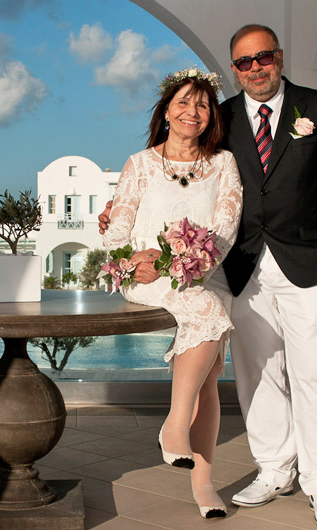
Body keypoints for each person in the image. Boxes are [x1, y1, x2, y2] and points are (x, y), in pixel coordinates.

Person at [221, 24, 317, 529]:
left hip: (311, 263)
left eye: (263, 57)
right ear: (234, 69)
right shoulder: (222, 117)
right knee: (257, 374)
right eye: (243, 62)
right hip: (245, 267)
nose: (255, 68)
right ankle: (275, 468)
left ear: (279, 56)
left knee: (315, 372)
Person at [102, 68, 243, 519]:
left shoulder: (223, 164)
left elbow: (225, 228)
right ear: (166, 110)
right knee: (206, 311)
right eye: (183, 102)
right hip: (145, 273)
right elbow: (116, 230)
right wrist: (133, 260)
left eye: (202, 105)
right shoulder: (139, 164)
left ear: (211, 117)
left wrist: (193, 263)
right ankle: (175, 426)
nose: (192, 112)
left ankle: (202, 482)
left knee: (210, 374)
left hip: (204, 270)